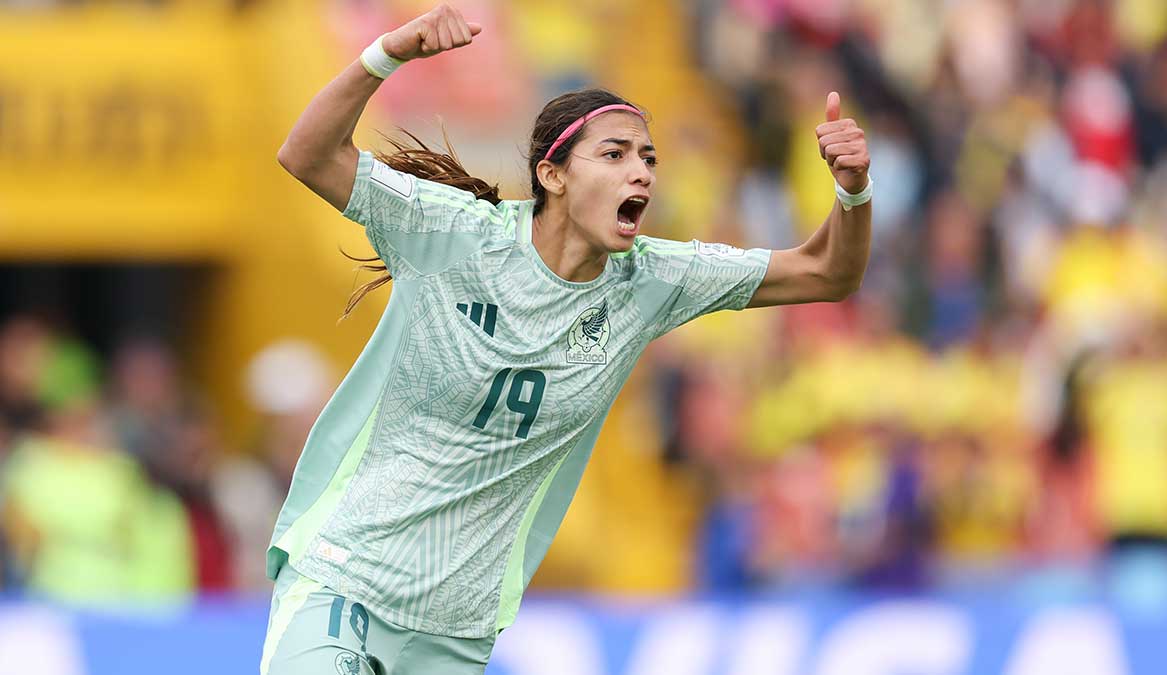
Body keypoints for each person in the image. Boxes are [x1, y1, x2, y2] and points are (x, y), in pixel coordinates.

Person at [262, 4, 872, 674]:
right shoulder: (452, 232)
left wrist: (852, 193)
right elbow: (307, 154)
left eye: (648, 158)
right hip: (346, 579)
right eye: (614, 154)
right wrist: (387, 55)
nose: (641, 172)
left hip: (454, 631)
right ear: (552, 175)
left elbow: (827, 272)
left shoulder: (650, 281)